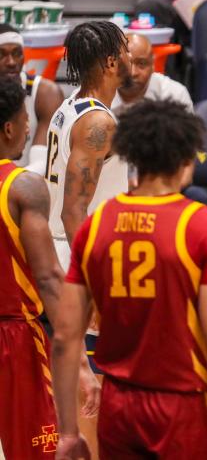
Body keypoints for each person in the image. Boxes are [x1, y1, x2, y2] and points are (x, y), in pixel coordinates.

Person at [52, 99, 207, 459]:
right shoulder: (203, 226)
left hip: (118, 403)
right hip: (183, 404)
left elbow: (66, 339)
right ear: (187, 158)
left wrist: (68, 433)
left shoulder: (96, 224)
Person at [0, 76, 96, 460]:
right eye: (25, 119)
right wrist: (82, 365)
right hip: (14, 339)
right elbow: (49, 280)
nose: (28, 127)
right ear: (9, 127)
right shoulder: (22, 186)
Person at [46, 21, 132, 270]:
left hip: (65, 244)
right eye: (125, 49)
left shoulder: (71, 104)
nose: (131, 55)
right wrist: (93, 275)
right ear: (111, 62)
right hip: (76, 249)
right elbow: (73, 213)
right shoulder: (97, 122)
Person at [0, 23, 63, 173]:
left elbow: (43, 162)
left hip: (31, 184)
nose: (11, 62)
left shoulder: (45, 92)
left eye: (17, 53)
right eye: (1, 54)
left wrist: (9, 185)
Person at [111, 33, 193, 113]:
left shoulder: (175, 96)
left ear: (153, 65)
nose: (132, 73)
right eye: (124, 64)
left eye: (141, 64)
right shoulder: (99, 96)